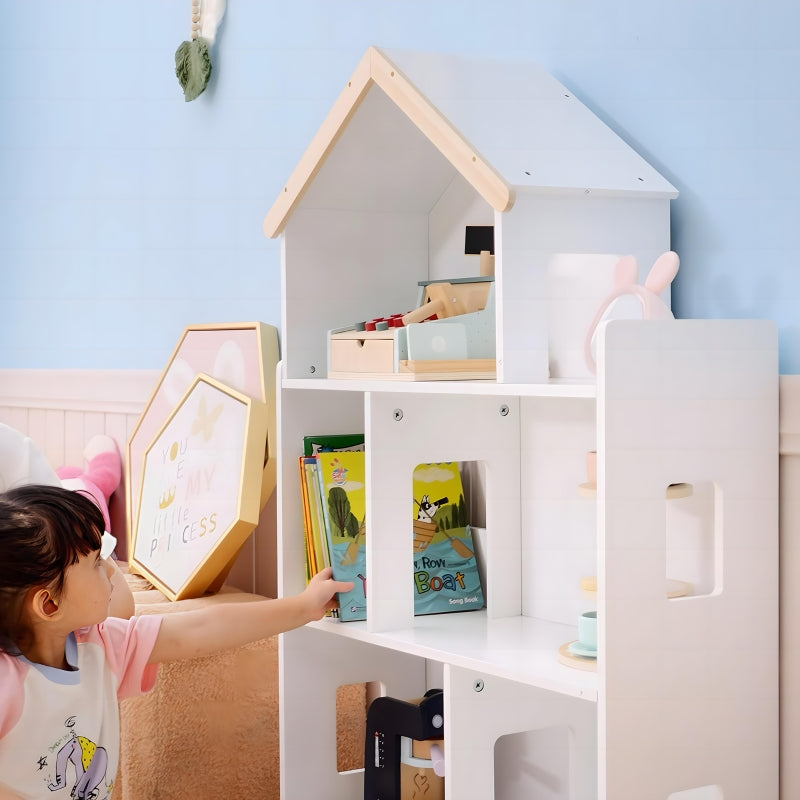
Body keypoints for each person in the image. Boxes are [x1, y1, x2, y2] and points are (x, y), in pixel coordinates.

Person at [0, 485, 353, 800]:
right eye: (95, 563)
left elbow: (199, 629)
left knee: (121, 607)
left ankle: (90, 488)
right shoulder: (9, 684)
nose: (111, 569)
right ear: (48, 604)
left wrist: (303, 606)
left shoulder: (100, 645)